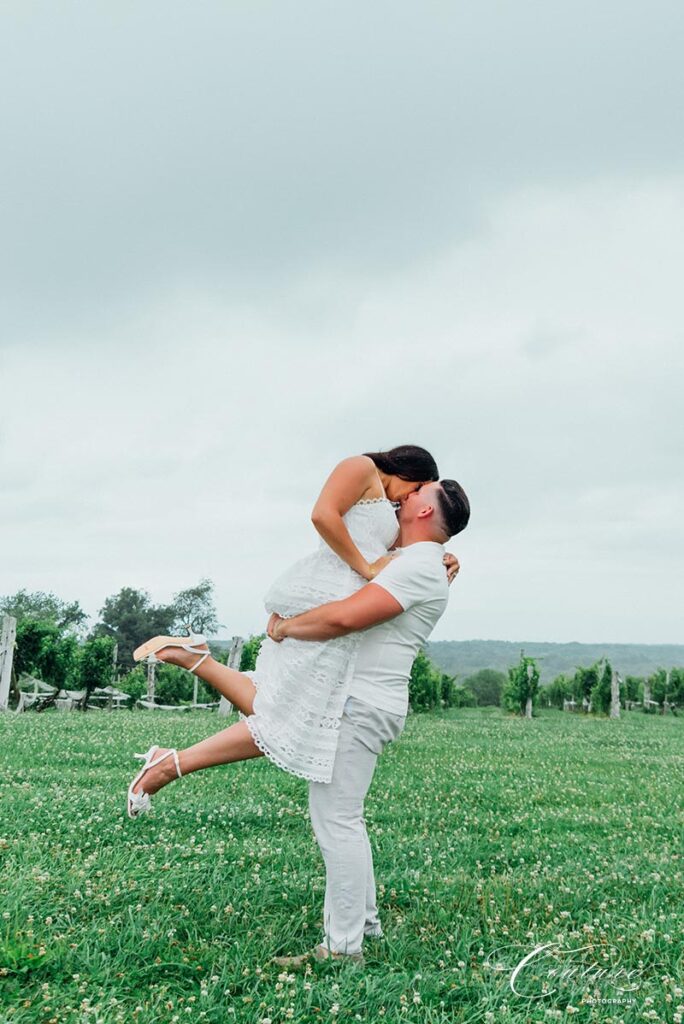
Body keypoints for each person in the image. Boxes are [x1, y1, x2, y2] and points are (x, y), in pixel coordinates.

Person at [126, 476, 470, 966]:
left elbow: (345, 618)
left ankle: (342, 948)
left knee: (338, 822)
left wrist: (286, 628)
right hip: (357, 698)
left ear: (424, 513)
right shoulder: (418, 562)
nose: (405, 495)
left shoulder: (419, 567)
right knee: (334, 801)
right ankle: (363, 926)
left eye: (416, 493)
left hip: (360, 705)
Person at [127, 446, 457, 816]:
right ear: (412, 472)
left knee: (282, 704)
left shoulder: (393, 507)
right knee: (292, 711)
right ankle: (171, 756)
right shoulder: (359, 467)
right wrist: (364, 567)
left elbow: (402, 547)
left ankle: (192, 671)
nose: (411, 499)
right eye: (417, 489)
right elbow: (322, 515)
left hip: (350, 599)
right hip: (327, 591)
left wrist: (439, 555)